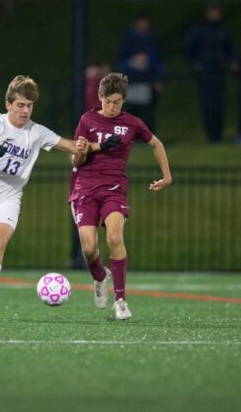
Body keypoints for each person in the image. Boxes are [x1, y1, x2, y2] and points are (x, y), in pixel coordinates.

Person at [0, 75, 97, 318]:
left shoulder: (37, 132)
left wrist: (93, 144)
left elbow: (70, 145)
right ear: (8, 105)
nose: (25, 111)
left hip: (7, 197)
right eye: (21, 105)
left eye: (30, 105)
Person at [69, 72, 172, 320]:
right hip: (84, 188)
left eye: (117, 101)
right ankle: (100, 277)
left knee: (115, 237)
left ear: (123, 100)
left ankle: (121, 301)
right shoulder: (88, 120)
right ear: (100, 97)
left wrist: (167, 176)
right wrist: (84, 151)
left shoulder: (132, 123)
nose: (112, 106)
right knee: (89, 248)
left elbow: (156, 144)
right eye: (108, 101)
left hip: (114, 188)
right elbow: (75, 159)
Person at [184, 1, 234, 143]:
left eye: (217, 11)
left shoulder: (222, 29)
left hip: (219, 71)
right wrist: (196, 64)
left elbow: (229, 48)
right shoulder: (199, 28)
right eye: (213, 11)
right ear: (207, 13)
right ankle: (211, 134)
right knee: (208, 104)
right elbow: (189, 48)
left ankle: (219, 133)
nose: (215, 14)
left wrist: (229, 62)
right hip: (205, 72)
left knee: (219, 103)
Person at [118, 14, 165, 133]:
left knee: (147, 111)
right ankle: (131, 135)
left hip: (146, 81)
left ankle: (146, 136)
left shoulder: (151, 38)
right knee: (132, 110)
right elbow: (122, 59)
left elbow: (157, 61)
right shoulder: (130, 39)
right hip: (133, 81)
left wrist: (157, 78)